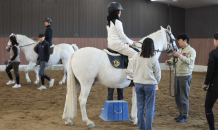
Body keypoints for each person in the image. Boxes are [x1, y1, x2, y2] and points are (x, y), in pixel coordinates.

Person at [106, 2, 137, 100]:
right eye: (119, 11)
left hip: (111, 44)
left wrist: (126, 43)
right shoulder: (118, 22)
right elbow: (122, 35)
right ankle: (130, 73)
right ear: (117, 12)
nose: (120, 13)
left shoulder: (108, 22)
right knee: (134, 53)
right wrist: (132, 42)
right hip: (117, 44)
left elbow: (115, 36)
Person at [165, 33, 196, 122]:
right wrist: (169, 61)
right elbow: (175, 60)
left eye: (180, 40)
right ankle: (181, 113)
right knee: (177, 95)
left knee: (184, 96)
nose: (178, 42)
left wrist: (179, 56)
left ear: (185, 40)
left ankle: (184, 116)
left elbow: (189, 61)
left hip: (185, 76)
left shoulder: (191, 51)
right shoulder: (179, 50)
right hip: (177, 75)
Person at [133, 38, 161, 130]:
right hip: (150, 84)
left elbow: (133, 69)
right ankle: (149, 128)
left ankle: (141, 127)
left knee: (140, 107)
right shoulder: (153, 58)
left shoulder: (136, 56)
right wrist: (156, 82)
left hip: (138, 84)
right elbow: (157, 73)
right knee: (150, 108)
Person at [202, 32, 218, 130]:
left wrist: (206, 83)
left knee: (208, 107)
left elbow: (210, 70)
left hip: (215, 84)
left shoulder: (213, 53)